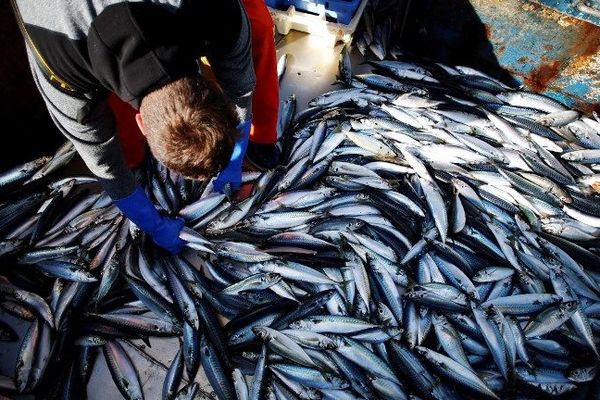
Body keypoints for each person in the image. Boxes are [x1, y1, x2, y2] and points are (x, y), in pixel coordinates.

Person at [11, 0, 280, 254]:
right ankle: (137, 162)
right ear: (140, 122)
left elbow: (240, 90)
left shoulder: (219, 11)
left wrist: (234, 160)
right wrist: (153, 225)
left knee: (256, 25)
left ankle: (263, 138)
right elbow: (105, 166)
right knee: (110, 135)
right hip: (62, 20)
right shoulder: (62, 71)